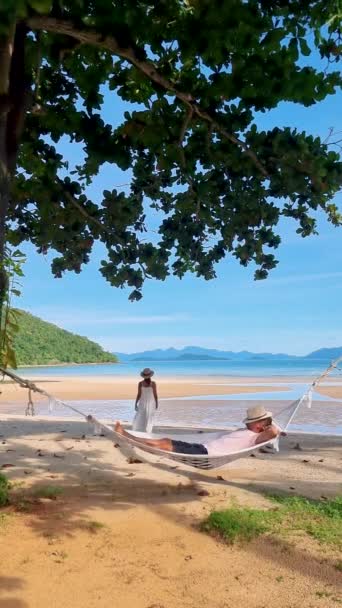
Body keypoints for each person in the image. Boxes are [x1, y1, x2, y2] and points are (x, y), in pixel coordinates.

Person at [115, 405, 280, 456]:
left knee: (163, 444)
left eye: (263, 422)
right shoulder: (244, 431)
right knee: (164, 441)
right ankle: (128, 436)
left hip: (205, 454)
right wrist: (265, 425)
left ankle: (126, 436)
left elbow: (273, 431)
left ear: (259, 425)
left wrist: (267, 426)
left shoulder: (255, 438)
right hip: (201, 447)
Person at [132, 368, 158, 433]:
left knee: (141, 416)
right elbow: (155, 394)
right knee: (149, 417)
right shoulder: (153, 383)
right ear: (150, 375)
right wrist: (156, 403)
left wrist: (135, 403)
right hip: (150, 402)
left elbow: (139, 394)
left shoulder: (140, 383)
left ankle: (141, 430)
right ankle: (147, 431)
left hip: (143, 402)